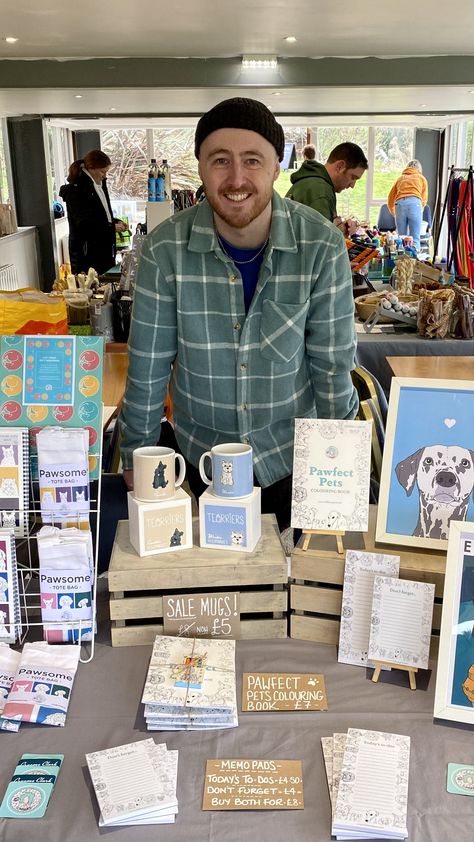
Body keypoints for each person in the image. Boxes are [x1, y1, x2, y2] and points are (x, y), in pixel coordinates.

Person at [119, 97, 358, 531]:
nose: (236, 178)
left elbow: (333, 367)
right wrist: (136, 452)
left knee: (289, 592)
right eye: (220, 161)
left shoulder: (321, 245)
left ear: (275, 168)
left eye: (252, 160)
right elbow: (148, 368)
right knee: (214, 595)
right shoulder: (164, 250)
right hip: (198, 467)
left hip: (291, 462)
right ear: (200, 167)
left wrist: (343, 470)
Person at [59, 149, 128, 275]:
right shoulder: (77, 191)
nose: (104, 175)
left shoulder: (98, 186)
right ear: (91, 168)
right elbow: (84, 225)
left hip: (103, 252)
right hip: (87, 256)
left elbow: (100, 216)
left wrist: (115, 222)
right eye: (103, 171)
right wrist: (111, 227)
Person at [285, 141, 368, 233]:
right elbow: (323, 244)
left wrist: (342, 228)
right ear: (340, 166)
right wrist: (343, 233)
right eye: (353, 177)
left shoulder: (312, 182)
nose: (352, 185)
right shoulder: (320, 192)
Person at [387, 159, 428, 253]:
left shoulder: (400, 178)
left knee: (401, 237)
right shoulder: (421, 178)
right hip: (415, 204)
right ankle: (415, 263)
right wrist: (420, 208)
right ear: (419, 169)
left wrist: (393, 211)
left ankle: (401, 263)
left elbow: (390, 197)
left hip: (400, 204)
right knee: (415, 238)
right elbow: (424, 198)